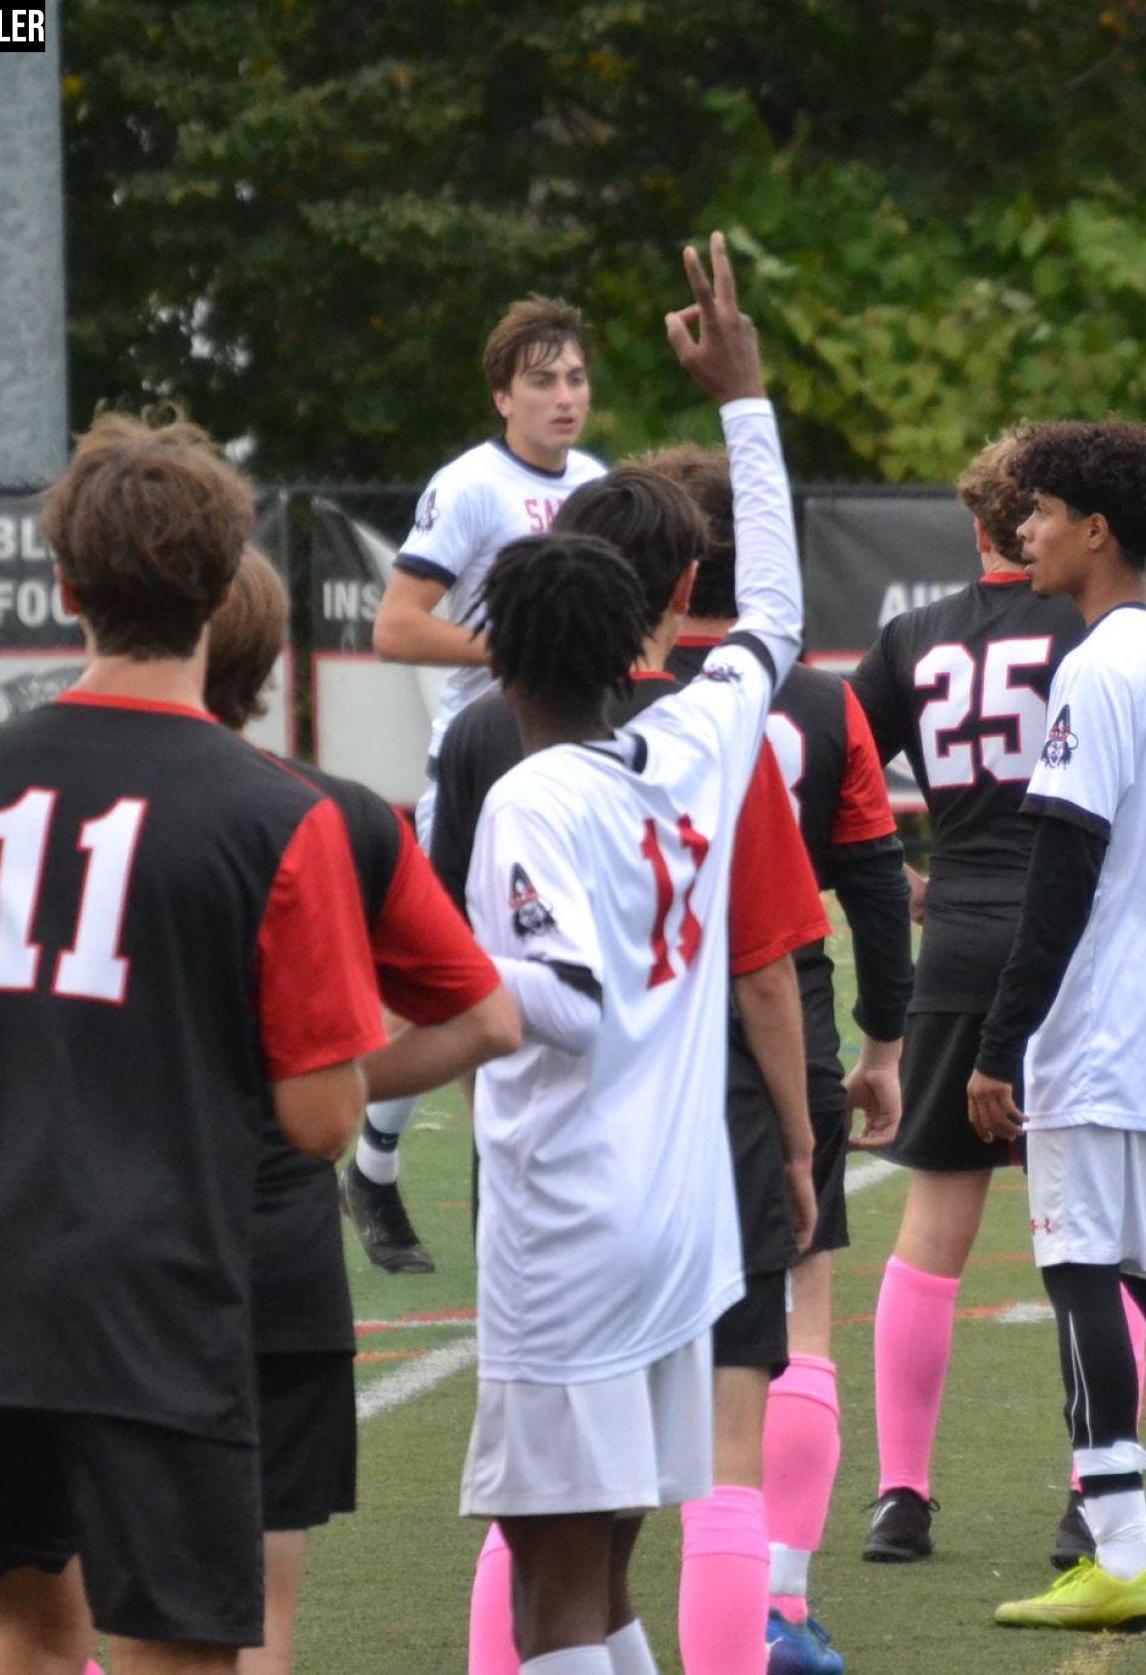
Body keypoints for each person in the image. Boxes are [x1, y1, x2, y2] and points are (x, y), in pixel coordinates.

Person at [0, 415, 386, 1672]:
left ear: (64, 587)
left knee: (20, 1622)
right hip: (152, 1292)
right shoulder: (279, 814)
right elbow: (323, 1118)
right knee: (177, 1650)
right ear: (227, 592)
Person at [458, 232, 817, 1675]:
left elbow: (559, 1004)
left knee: (553, 1570)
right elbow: (778, 614)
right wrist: (747, 397)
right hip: (680, 1223)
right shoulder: (692, 738)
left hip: (574, 1228)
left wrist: (389, 1043)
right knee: (603, 1562)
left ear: (498, 657)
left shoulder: (532, 793)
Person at [198, 550, 524, 1675]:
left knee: (44, 1616)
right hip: (260, 1235)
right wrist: (344, 1084)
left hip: (60, 1229)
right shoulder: (324, 815)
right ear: (265, 658)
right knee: (251, 1612)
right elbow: (484, 1019)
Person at [968, 419, 1146, 1634]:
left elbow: (1064, 870)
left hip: (1103, 1029)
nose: (1019, 532)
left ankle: (1118, 1546)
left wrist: (998, 1043)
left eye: (1036, 512)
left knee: (1080, 1272)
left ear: (1094, 528)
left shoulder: (1096, 666)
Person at [641, 441, 917, 1672]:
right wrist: (882, 1041)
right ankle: (783, 1603)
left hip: (638, 1017)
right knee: (796, 1311)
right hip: (780, 997)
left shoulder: (601, 685)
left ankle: (588, 1602)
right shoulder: (808, 691)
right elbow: (871, 879)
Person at [848, 427, 1096, 1566]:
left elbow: (824, 782)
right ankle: (1095, 1488)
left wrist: (894, 879)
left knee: (929, 1238)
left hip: (954, 943)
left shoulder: (913, 637)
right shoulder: (1102, 628)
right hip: (1077, 951)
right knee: (1093, 1238)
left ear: (973, 523)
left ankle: (901, 1493)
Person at [353, 295, 609, 1275]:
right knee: (465, 980)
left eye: (575, 377)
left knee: (552, 985)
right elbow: (395, 627)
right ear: (502, 393)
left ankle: (380, 1163)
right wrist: (519, 646)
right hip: (482, 763)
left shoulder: (596, 483)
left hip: (576, 762)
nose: (562, 395)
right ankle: (423, 1176)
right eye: (541, 379)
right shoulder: (471, 485)